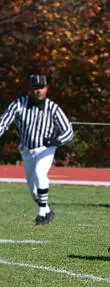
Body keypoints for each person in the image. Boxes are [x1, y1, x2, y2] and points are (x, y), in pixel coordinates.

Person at [0, 74, 74, 225]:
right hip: (27, 150)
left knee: (41, 174)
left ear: (46, 88)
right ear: (30, 90)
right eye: (35, 88)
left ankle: (41, 215)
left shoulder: (52, 108)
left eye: (41, 88)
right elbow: (3, 123)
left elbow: (68, 132)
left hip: (45, 149)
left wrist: (55, 141)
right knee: (34, 191)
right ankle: (47, 210)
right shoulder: (19, 104)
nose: (38, 91)